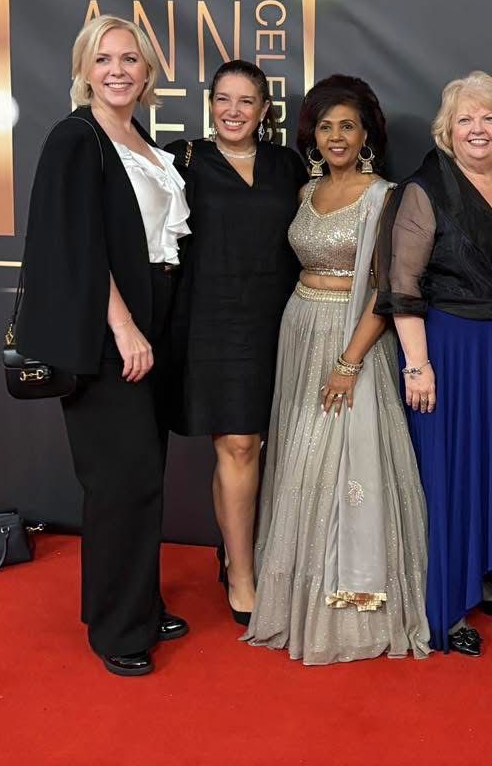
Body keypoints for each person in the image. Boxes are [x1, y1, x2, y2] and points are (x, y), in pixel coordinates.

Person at [16, 14, 191, 677]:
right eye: (104, 58)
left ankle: (134, 604)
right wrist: (123, 328)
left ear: (148, 72)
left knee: (142, 476)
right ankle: (119, 630)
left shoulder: (138, 137)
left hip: (156, 312)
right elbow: (78, 245)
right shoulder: (75, 138)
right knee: (122, 481)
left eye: (130, 59)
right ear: (84, 69)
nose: (118, 69)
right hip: (111, 329)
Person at [243, 75, 431, 664]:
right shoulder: (305, 193)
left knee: (344, 460)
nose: (336, 137)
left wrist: (349, 362)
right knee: (300, 458)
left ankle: (350, 609)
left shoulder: (386, 196)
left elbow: (388, 287)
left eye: (347, 125)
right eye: (325, 127)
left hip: (356, 341)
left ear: (367, 132)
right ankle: (294, 598)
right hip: (298, 329)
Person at [377, 71, 492, 656]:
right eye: (465, 119)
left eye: (489, 117)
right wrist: (417, 366)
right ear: (446, 130)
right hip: (453, 351)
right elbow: (402, 287)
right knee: (455, 476)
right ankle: (448, 606)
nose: (477, 129)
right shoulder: (426, 189)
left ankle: (491, 573)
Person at [163, 60, 304, 624]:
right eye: (223, 99)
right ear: (210, 103)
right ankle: (243, 576)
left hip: (281, 318)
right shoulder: (183, 159)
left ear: (265, 110)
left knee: (256, 448)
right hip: (211, 321)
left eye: (246, 101)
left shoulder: (286, 163)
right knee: (239, 444)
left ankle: (234, 552)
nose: (233, 111)